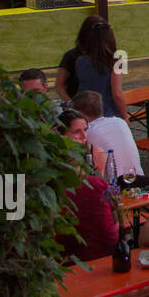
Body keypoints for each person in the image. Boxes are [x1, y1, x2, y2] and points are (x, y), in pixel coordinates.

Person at [55, 109, 119, 262]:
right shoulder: (54, 165)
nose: (84, 136)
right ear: (61, 135)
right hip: (75, 241)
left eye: (85, 130)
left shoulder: (95, 154)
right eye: (77, 132)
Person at [73, 90, 144, 177]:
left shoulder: (87, 133)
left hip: (113, 186)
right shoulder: (120, 122)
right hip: (139, 178)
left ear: (79, 113)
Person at [70, 16, 127, 119]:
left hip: (84, 113)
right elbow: (117, 94)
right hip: (108, 112)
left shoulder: (80, 61)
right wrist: (125, 116)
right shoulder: (114, 62)